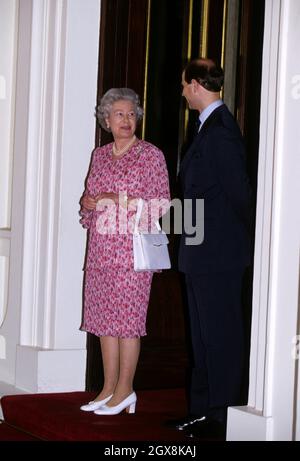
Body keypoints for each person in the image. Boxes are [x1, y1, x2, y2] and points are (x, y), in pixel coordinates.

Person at [170, 58, 252, 437]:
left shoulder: (221, 132)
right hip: (201, 252)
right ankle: (202, 412)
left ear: (196, 85)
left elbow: (240, 198)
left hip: (218, 256)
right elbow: (199, 194)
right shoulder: (207, 128)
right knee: (204, 339)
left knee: (220, 338)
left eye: (185, 85)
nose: (183, 91)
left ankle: (219, 417)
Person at [79, 88, 170, 415]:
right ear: (106, 119)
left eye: (131, 114)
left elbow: (160, 205)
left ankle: (126, 389)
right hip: (101, 252)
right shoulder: (99, 155)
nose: (126, 120)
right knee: (104, 322)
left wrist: (119, 200)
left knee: (127, 323)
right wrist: (88, 203)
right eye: (119, 114)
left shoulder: (150, 155)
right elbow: (90, 205)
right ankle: (108, 388)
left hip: (132, 254)